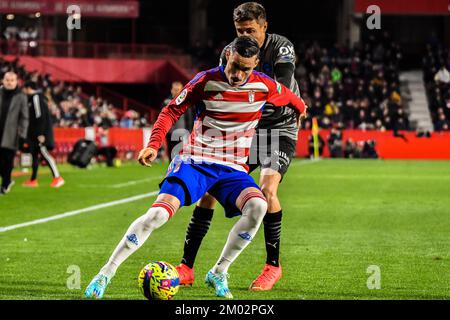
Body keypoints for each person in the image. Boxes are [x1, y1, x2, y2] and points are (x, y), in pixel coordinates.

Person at [84, 36, 307, 299]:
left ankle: (218, 271)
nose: (237, 74)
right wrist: (154, 144)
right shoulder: (206, 80)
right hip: (196, 161)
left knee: (258, 206)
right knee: (157, 215)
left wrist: (301, 109)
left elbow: (292, 98)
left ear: (256, 64)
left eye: (245, 69)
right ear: (227, 57)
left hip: (232, 169)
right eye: (234, 65)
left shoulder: (264, 85)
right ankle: (105, 273)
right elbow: (170, 111)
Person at [175, 2, 304, 291]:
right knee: (209, 190)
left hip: (278, 128)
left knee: (267, 191)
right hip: (246, 130)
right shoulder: (230, 52)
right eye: (239, 30)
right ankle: (187, 267)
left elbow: (279, 89)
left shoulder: (281, 47)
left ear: (264, 27)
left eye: (251, 30)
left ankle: (272, 266)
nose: (245, 34)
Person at [22, 81, 65, 188]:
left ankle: (57, 177)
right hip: (34, 133)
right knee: (35, 156)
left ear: (28, 88)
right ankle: (33, 180)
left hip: (39, 134)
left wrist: (41, 134)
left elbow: (39, 116)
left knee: (44, 154)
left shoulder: (36, 98)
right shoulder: (33, 99)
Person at [0, 71, 28, 195]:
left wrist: (22, 134)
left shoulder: (21, 96)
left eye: (12, 80)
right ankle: (8, 180)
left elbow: (24, 117)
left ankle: (5, 184)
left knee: (7, 160)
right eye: (7, 80)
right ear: (3, 81)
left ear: (17, 82)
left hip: (11, 134)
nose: (9, 82)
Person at [164, 81, 195, 161]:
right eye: (175, 89)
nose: (176, 91)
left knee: (181, 154)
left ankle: (179, 171)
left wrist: (189, 131)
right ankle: (172, 171)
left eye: (178, 89)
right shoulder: (166, 102)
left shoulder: (186, 103)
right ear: (171, 90)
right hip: (170, 132)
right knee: (171, 153)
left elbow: (190, 119)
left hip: (182, 132)